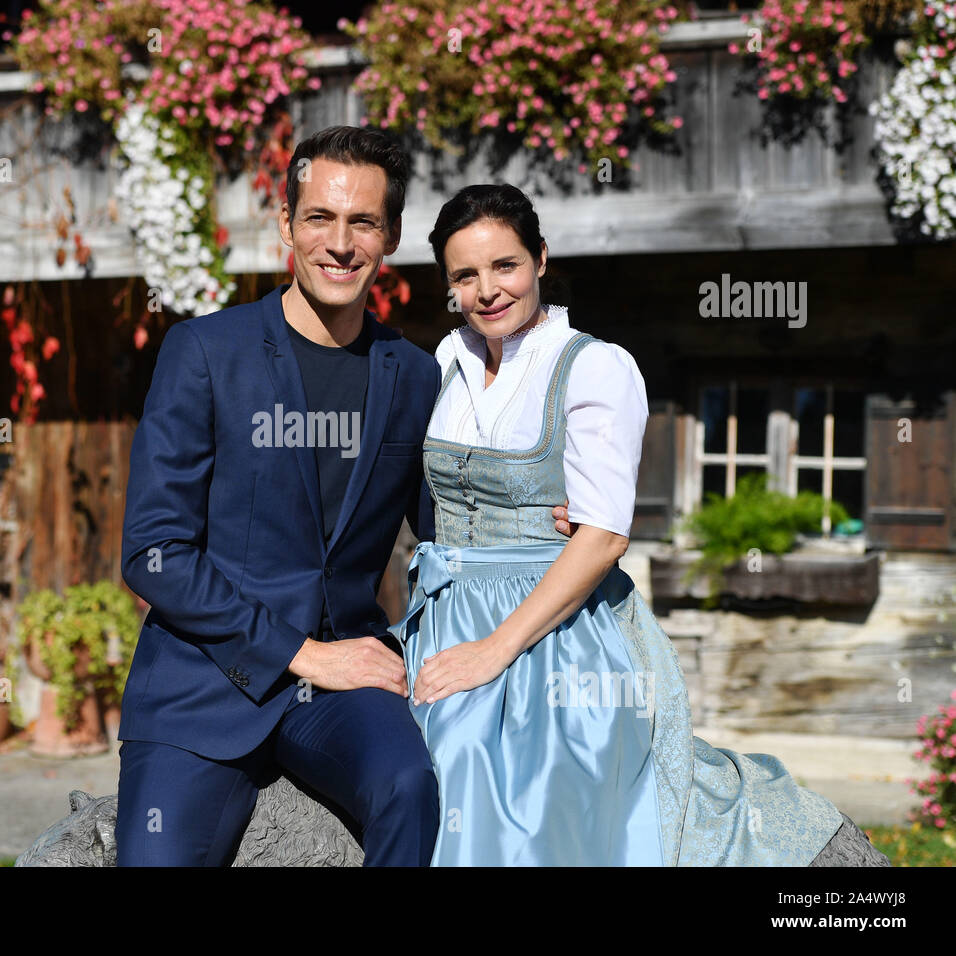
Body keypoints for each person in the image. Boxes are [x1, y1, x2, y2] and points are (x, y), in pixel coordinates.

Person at [389, 183, 847, 865]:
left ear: (540, 259)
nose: (487, 290)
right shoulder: (445, 363)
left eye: (505, 265)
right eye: (466, 275)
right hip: (445, 611)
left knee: (480, 762)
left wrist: (493, 651)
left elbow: (602, 537)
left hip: (553, 622)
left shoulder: (594, 366)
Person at [116, 125, 455, 866]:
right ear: (287, 228)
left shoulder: (416, 377)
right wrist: (302, 654)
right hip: (201, 687)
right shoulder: (204, 352)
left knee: (408, 785)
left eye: (363, 221)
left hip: (343, 691)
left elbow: (445, 536)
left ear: (391, 234)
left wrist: (546, 521)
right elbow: (154, 553)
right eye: (320, 219)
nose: (340, 242)